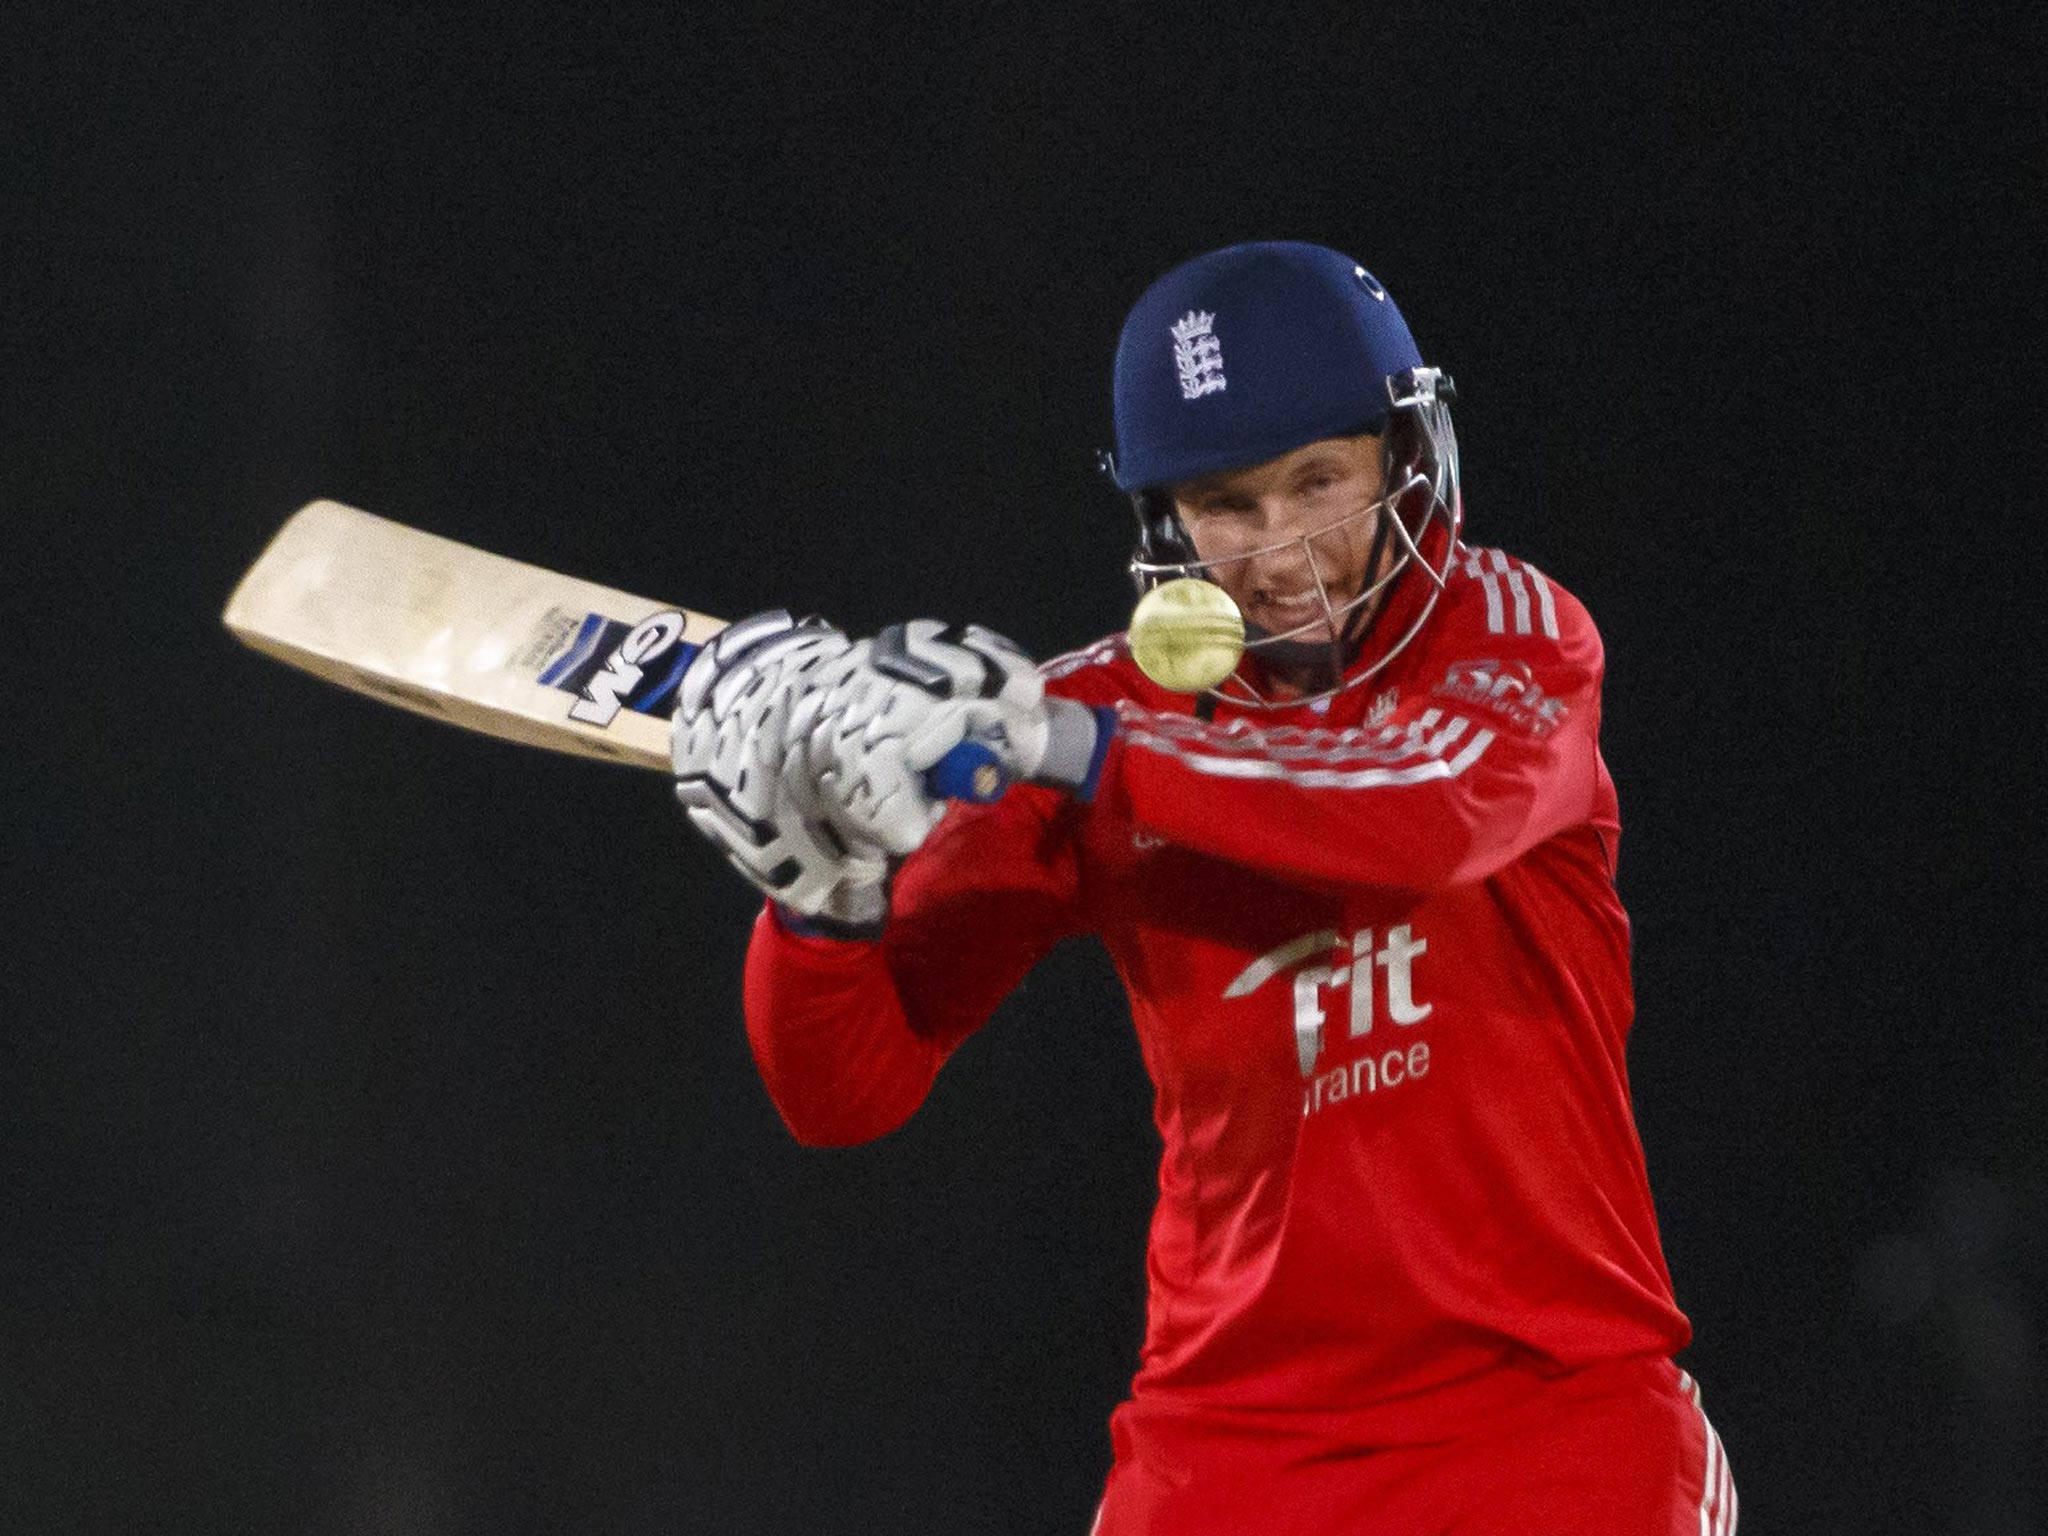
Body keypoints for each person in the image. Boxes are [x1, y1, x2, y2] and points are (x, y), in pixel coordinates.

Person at [670, 241, 1737, 1535]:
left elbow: (1422, 812)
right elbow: (842, 1092)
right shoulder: (1088, 720)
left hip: (1547, 1423)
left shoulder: (1509, 632)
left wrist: (1077, 752)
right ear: (1165, 518)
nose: (1282, 552)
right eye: (1228, 503)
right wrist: (818, 898)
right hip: (1227, 1451)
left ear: (1406, 457)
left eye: (1318, 481)